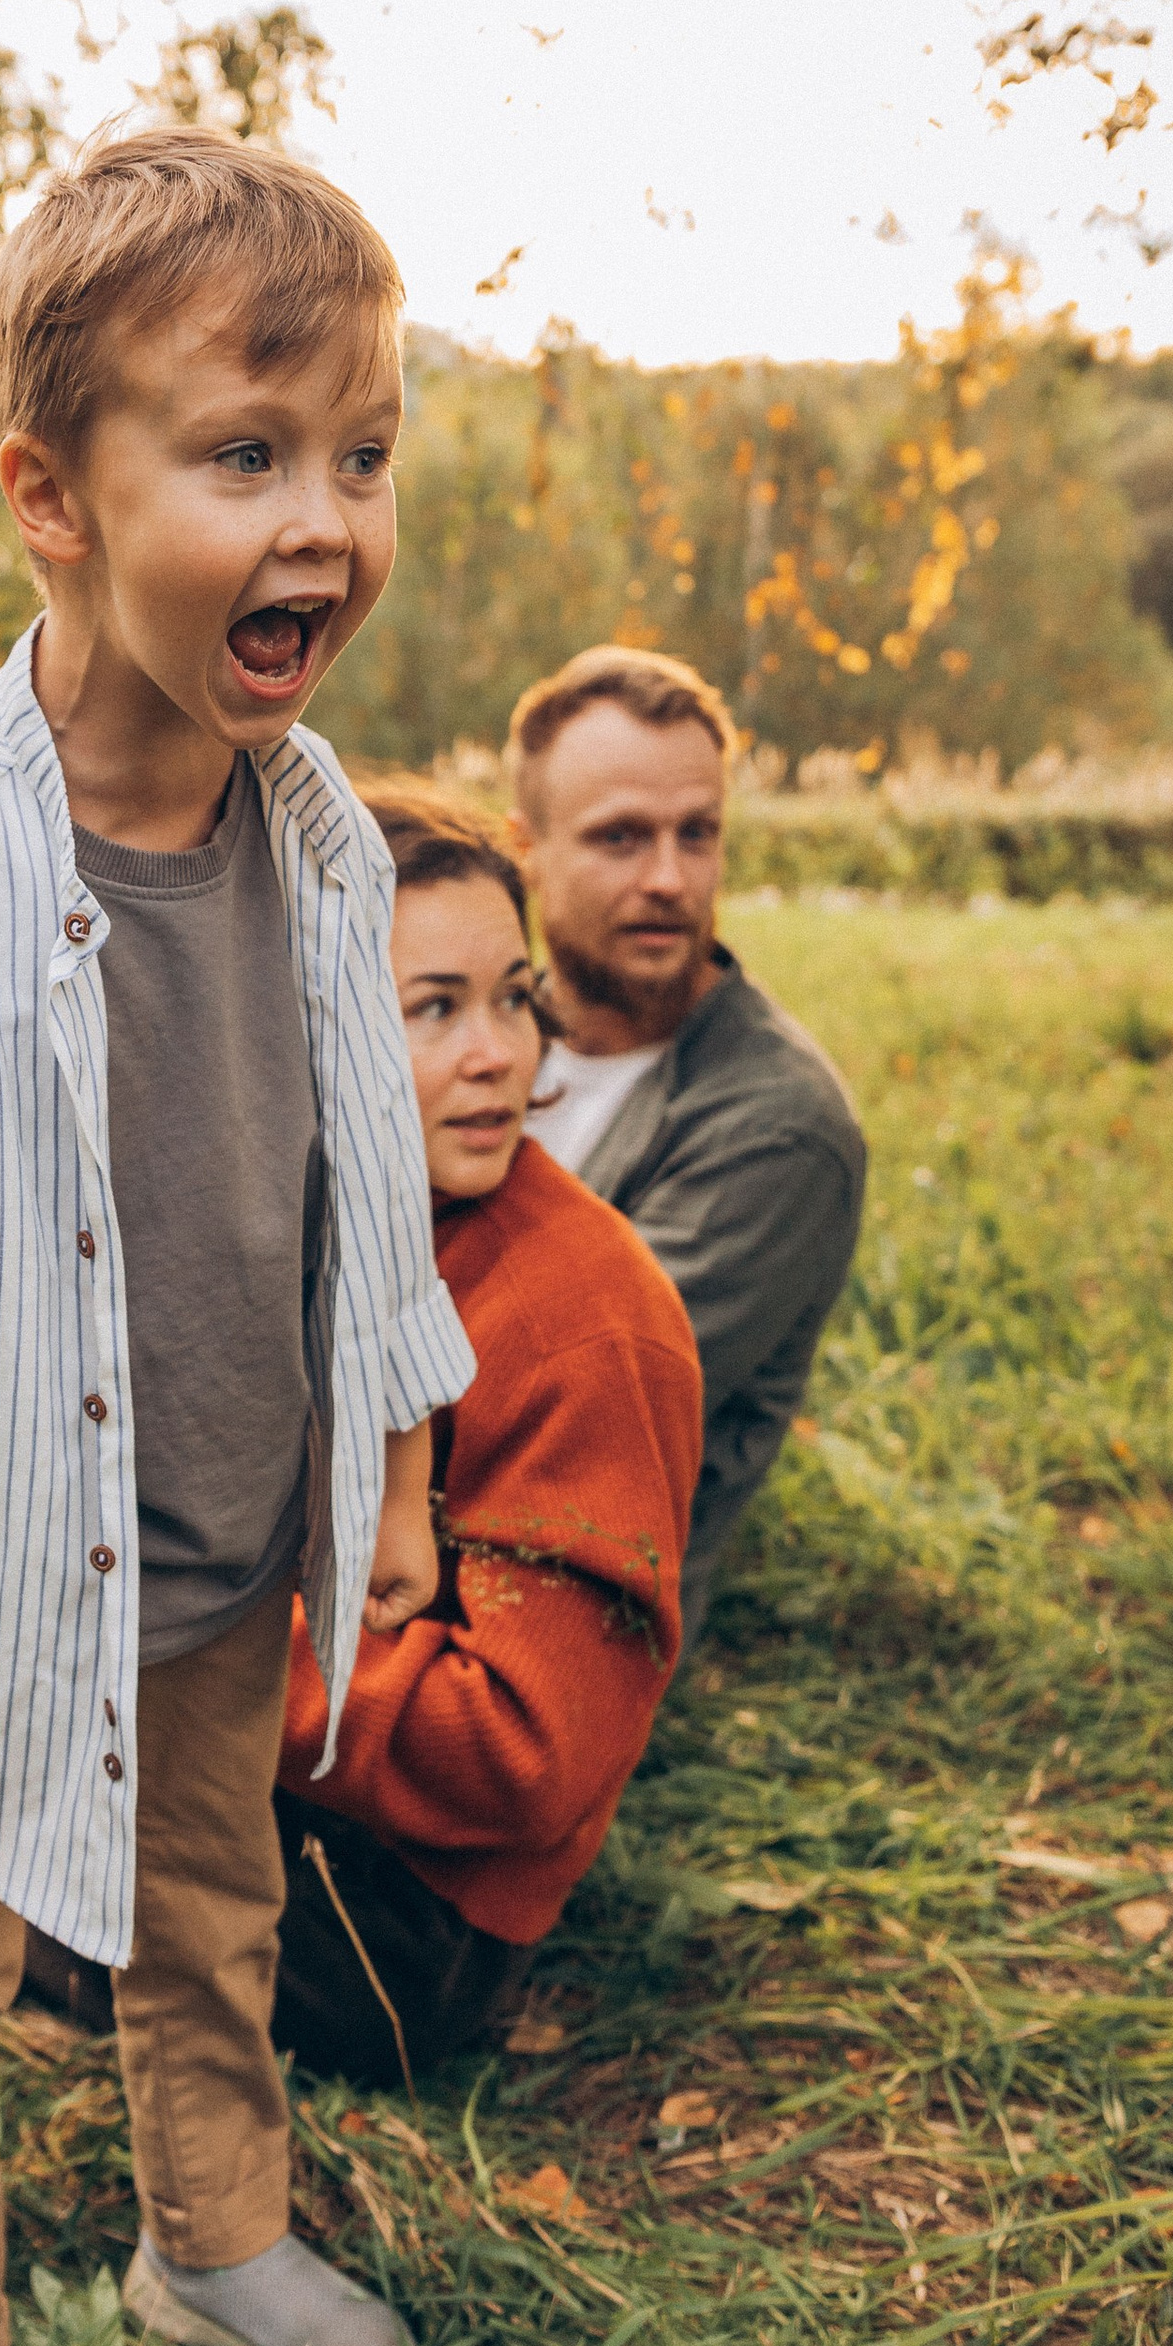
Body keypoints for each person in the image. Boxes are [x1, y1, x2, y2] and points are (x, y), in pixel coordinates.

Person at [0, 127, 473, 2346]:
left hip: (217, 1543)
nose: (320, 523)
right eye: (242, 454)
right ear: (46, 497)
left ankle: (208, 2241)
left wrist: (383, 1471)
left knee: (210, 1907)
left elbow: (360, 1173)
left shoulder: (321, 832)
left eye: (359, 458)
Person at [23, 775, 703, 2084]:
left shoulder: (583, 1323)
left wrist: (159, 1636)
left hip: (386, 1920)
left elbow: (524, 1756)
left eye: (513, 998)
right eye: (435, 1009)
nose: (501, 1052)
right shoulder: (272, 1202)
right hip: (237, 1749)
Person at [506, 646, 867, 1632]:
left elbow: (565, 1414)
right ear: (525, 846)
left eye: (696, 834)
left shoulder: (776, 1128)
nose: (669, 878)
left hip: (554, 1615)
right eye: (620, 838)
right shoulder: (476, 1042)